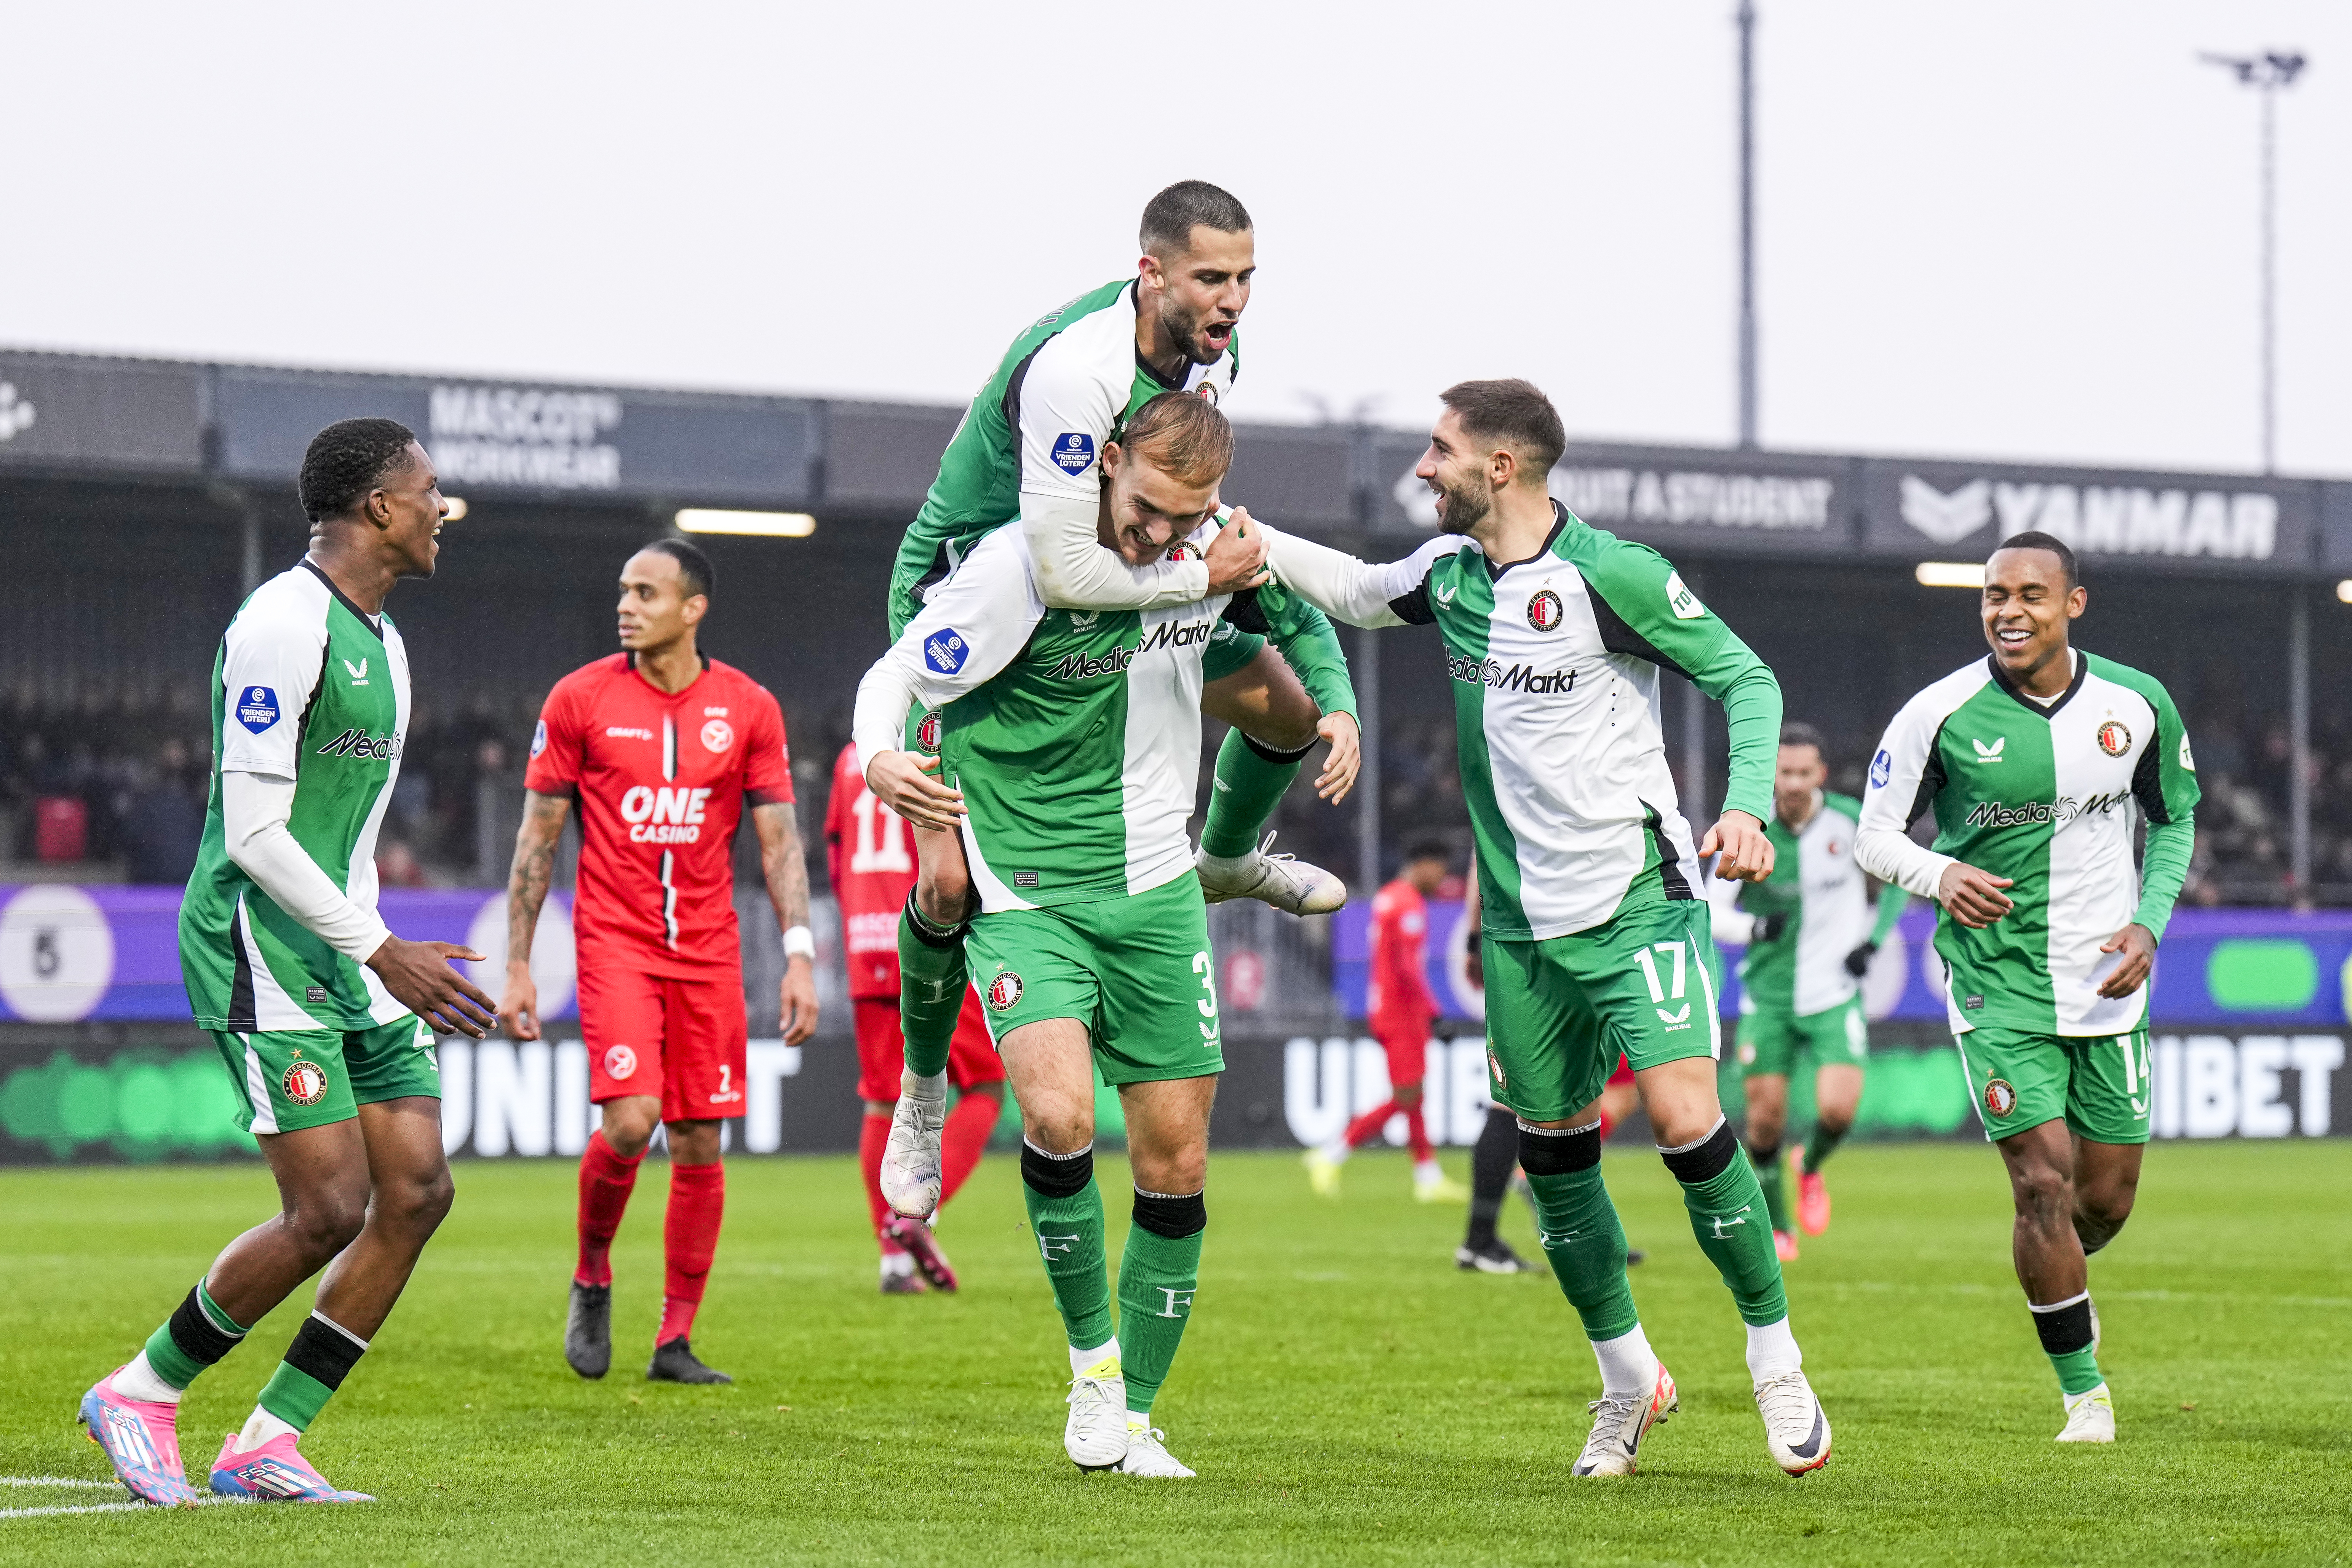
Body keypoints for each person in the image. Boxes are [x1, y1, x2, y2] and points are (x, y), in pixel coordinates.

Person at [1257, 378, 1831, 1479]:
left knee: (1683, 1118)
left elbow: (1747, 681)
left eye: (1440, 450)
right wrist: (1237, 529)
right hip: (1522, 928)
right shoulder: (1450, 573)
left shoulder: (1610, 574)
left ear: (1503, 466)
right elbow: (1357, 587)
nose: (1424, 468)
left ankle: (1775, 1353)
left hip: (1635, 898)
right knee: (1554, 1158)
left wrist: (1748, 803)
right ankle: (1629, 1380)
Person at [857, 392, 1357, 1479]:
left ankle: (1137, 1417)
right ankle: (1090, 1365)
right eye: (1143, 509)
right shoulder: (1023, 561)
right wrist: (875, 754)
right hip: (1027, 880)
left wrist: (1341, 704)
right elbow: (896, 672)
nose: (1156, 537)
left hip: (1156, 881)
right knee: (1059, 1112)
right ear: (1109, 460)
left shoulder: (1212, 547)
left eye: (1185, 520)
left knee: (1176, 1166)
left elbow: (1317, 602)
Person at [877, 182, 1361, 1220]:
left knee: (1283, 712)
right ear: (1152, 274)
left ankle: (1226, 857)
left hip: (1132, 574)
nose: (1231, 300)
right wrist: (1204, 577)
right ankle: (922, 1090)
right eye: (1210, 278)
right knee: (951, 881)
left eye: (1244, 279)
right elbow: (1057, 569)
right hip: (981, 596)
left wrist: (1334, 694)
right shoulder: (1074, 369)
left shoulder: (1209, 362)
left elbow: (1202, 523)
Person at [82, 418, 497, 1506]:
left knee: (416, 1190)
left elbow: (341, 835)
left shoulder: (387, 641)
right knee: (325, 1207)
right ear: (377, 508)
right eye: (429, 489)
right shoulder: (281, 622)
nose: (440, 508)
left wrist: (372, 941)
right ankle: (142, 1388)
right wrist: (383, 947)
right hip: (259, 940)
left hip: (348, 946)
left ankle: (268, 1438)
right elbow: (259, 834)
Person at [1855, 531, 2196, 1445]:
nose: (2008, 610)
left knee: (2104, 1199)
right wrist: (1938, 875)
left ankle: (2059, 1283)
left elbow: (2172, 822)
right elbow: (1875, 834)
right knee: (2040, 1183)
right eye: (1993, 596)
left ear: (2071, 605)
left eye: (2029, 595)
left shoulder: (2137, 704)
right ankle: (2084, 1395)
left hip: (2106, 981)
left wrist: (2149, 923)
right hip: (1996, 981)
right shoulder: (1937, 713)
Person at [500, 540, 820, 1387]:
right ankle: (594, 1273)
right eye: (622, 589)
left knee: (700, 1139)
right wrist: (519, 965)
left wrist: (797, 954)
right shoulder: (580, 698)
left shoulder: (748, 707)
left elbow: (779, 842)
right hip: (616, 944)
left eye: (646, 591)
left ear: (693, 608)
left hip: (711, 951)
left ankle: (674, 1340)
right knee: (634, 1120)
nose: (627, 604)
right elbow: (538, 836)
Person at [1708, 723, 1908, 1260]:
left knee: (1839, 1111)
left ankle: (1811, 1165)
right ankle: (1778, 1226)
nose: (1792, 783)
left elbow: (1895, 879)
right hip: (1768, 997)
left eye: (1803, 772)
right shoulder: (1751, 828)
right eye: (1784, 772)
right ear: (1771, 775)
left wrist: (1874, 940)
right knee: (1765, 1119)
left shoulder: (1851, 820)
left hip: (1834, 992)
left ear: (1819, 774)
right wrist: (1754, 929)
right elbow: (1712, 912)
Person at [823, 739, 1004, 1292]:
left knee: (884, 1098)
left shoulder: (849, 757)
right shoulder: (935, 742)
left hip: (865, 942)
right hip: (927, 934)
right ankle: (912, 1211)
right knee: (987, 1086)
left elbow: (834, 854)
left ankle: (894, 1263)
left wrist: (861, 916)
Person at [1454, 872, 1646, 1274]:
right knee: (1586, 1087)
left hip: (1516, 935)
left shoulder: (1498, 808)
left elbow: (1481, 860)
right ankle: (1488, 1236)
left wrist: (1475, 940)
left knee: (1570, 1088)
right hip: (1579, 932)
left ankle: (1566, 1233)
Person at [1305, 840, 1467, 1201]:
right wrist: (1435, 1013)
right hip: (1403, 1014)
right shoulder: (1409, 904)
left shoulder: (1388, 897)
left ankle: (1428, 1177)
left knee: (1415, 1094)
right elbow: (1409, 968)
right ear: (1424, 863)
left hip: (1386, 1009)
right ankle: (1332, 1152)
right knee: (1406, 1095)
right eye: (1440, 869)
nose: (1442, 879)